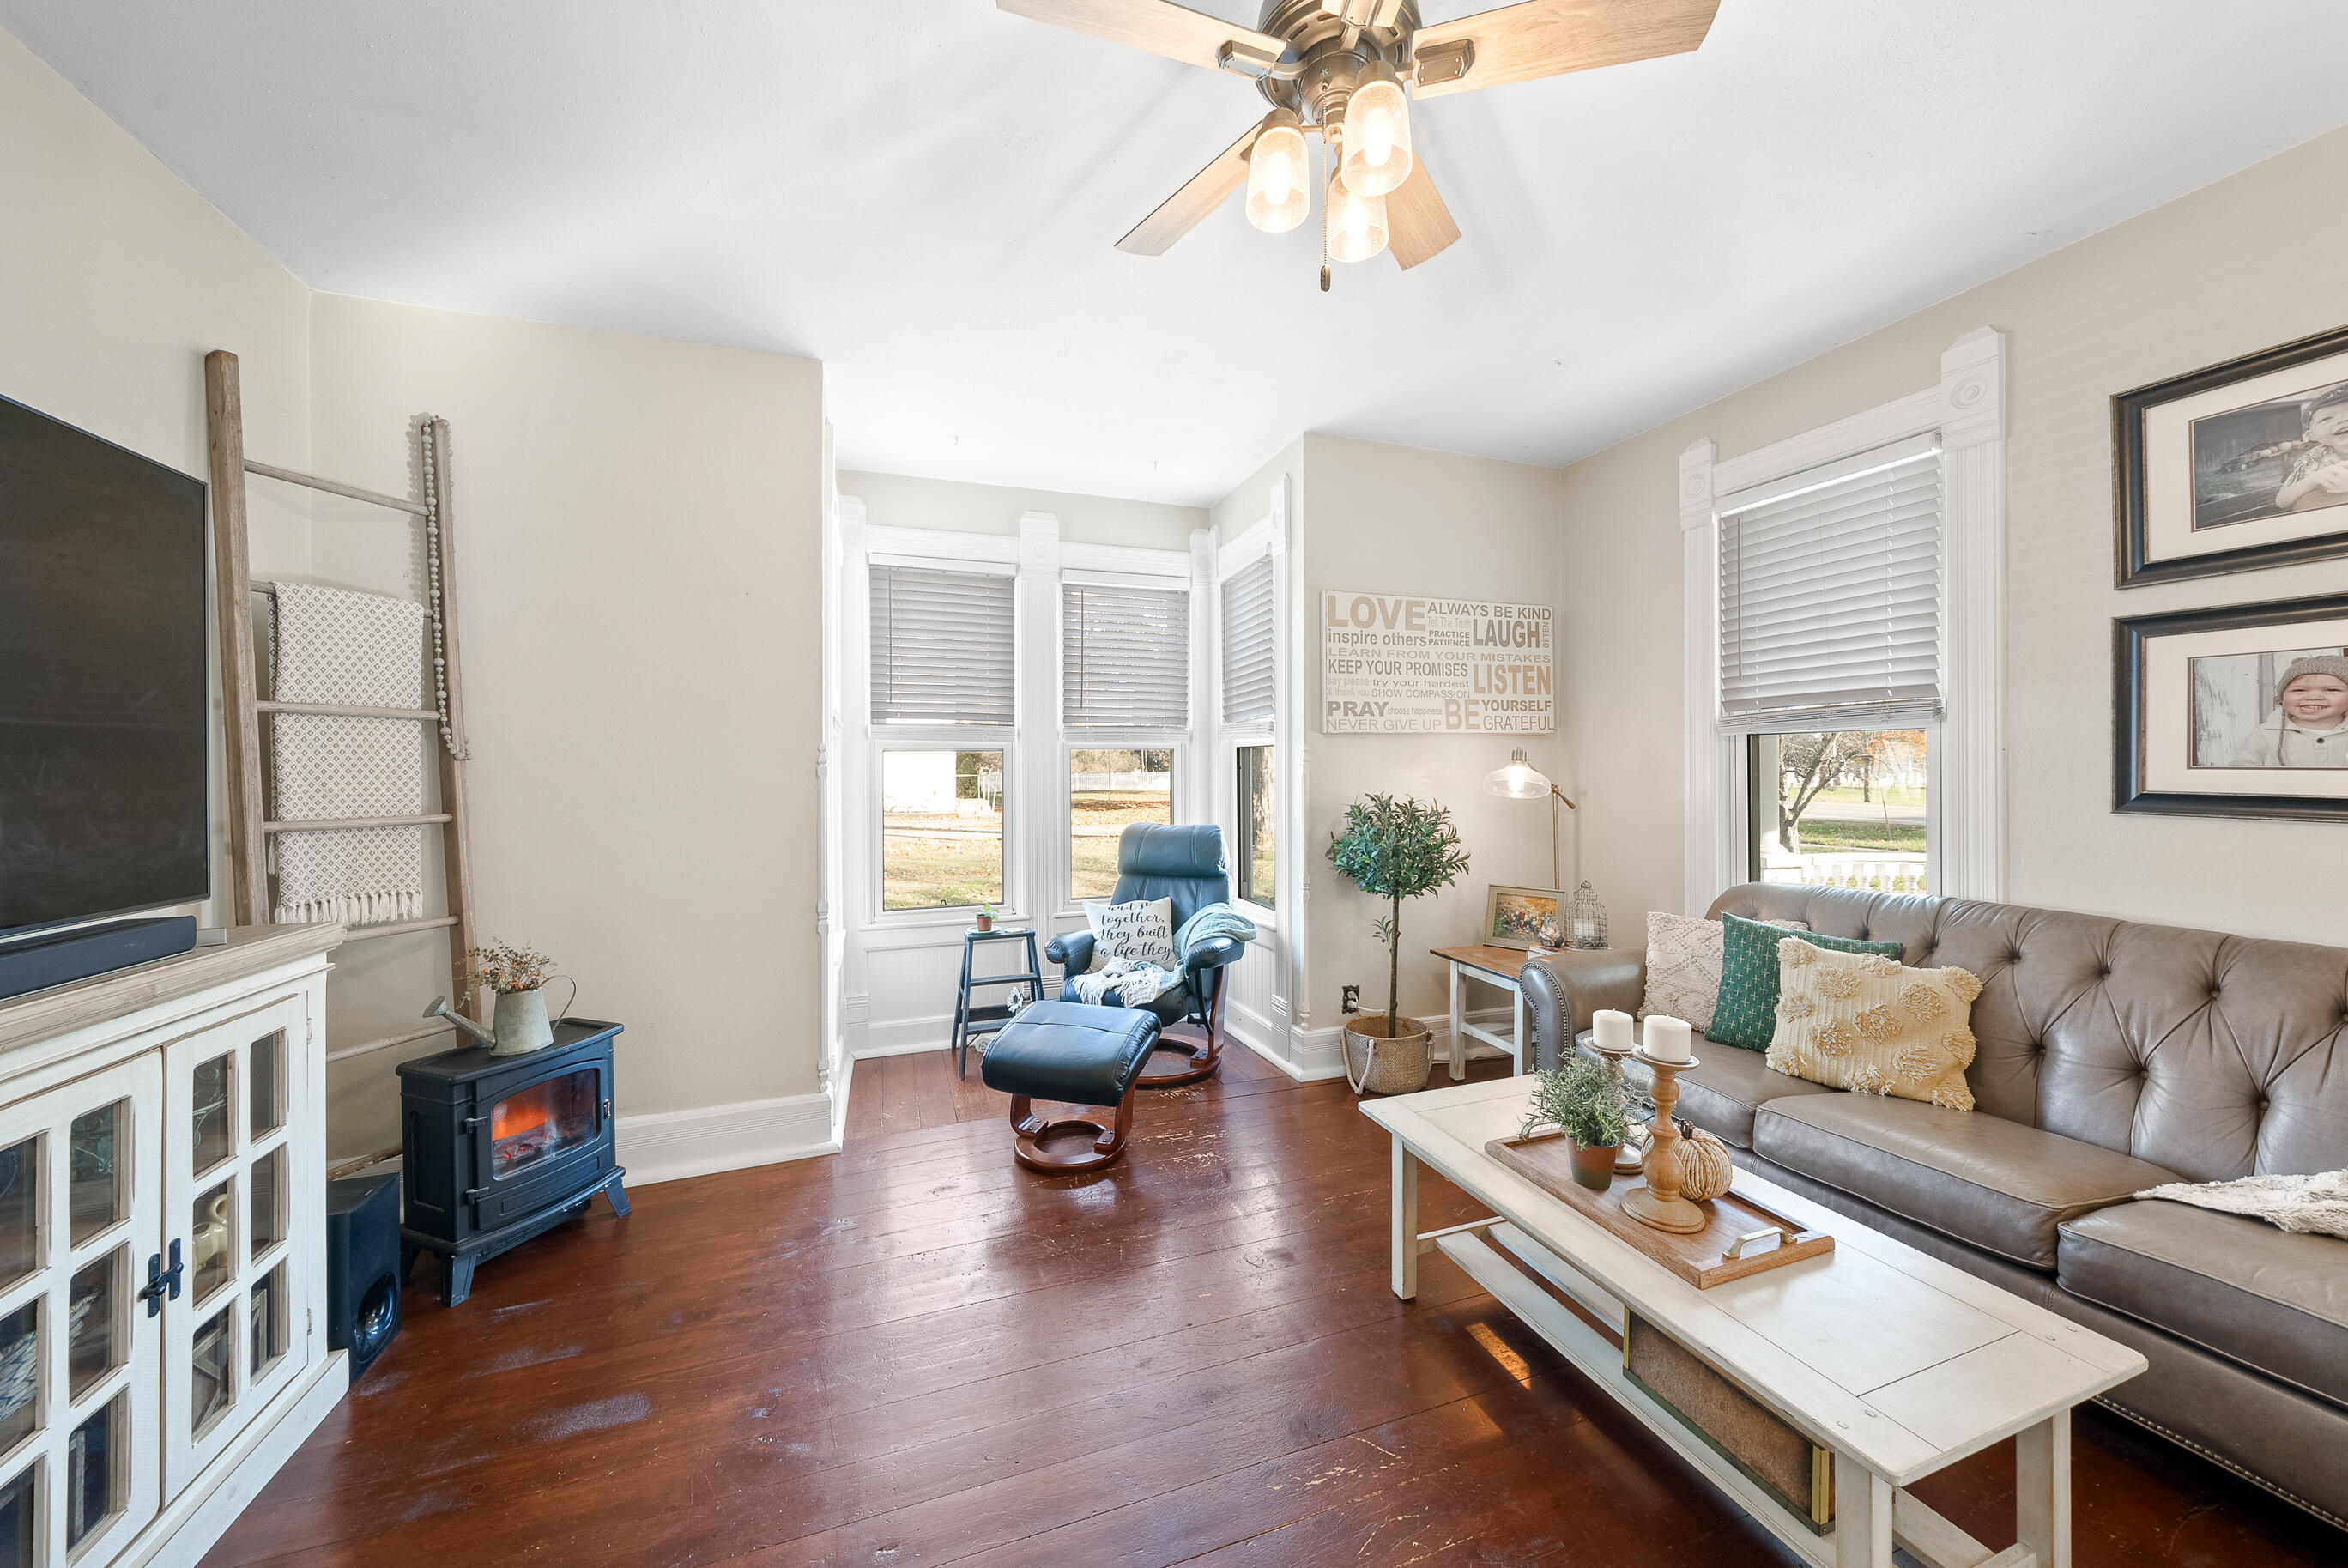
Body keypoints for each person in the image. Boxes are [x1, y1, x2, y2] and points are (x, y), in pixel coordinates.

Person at [2231, 654, 2348, 767]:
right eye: (2299, 690)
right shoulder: (2264, 734)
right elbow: (2241, 774)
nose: (2313, 697)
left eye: (2331, 690)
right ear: (2282, 698)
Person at [2274, 385, 2348, 512]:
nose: (2343, 420)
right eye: (2326, 419)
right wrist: (2314, 478)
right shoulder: (2312, 460)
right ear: (2312, 435)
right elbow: (2281, 501)